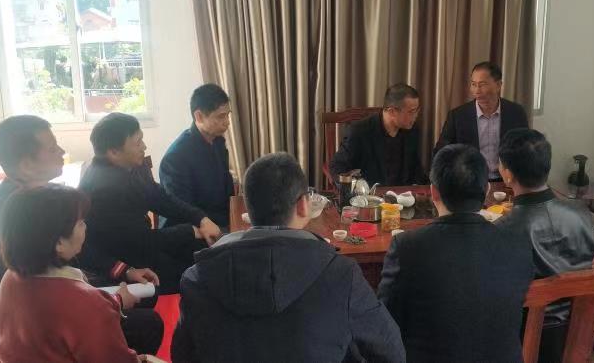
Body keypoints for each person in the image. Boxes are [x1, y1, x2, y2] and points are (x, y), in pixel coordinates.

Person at [172, 153, 405, 363]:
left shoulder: (197, 278)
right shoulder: (342, 275)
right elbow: (391, 351)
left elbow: (182, 356)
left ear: (249, 210)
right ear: (303, 205)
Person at [0, 115, 162, 359]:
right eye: (52, 149)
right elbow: (49, 302)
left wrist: (123, 272)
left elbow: (73, 252)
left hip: (36, 305)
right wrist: (107, 303)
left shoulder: (28, 201)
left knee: (142, 295)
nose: (62, 151)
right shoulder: (23, 215)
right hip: (23, 330)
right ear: (27, 165)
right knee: (147, 323)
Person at [377, 144, 534, 362]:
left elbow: (383, 321)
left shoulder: (407, 247)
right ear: (486, 190)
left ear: (433, 191)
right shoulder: (518, 245)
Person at [0, 185, 164, 362]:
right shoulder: (87, 304)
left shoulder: (9, 279)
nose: (85, 227)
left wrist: (117, 301)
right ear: (59, 243)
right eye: (81, 222)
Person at [77, 113, 221, 294]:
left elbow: (159, 196)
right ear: (113, 152)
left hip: (138, 243)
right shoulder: (106, 189)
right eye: (137, 143)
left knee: (206, 251)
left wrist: (200, 219)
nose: (144, 147)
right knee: (197, 274)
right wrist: (190, 231)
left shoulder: (131, 164)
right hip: (121, 263)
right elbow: (141, 241)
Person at [494, 128, 594, 362]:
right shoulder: (582, 214)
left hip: (524, 341)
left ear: (507, 174)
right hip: (579, 336)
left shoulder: (502, 230)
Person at [434, 61, 529, 181]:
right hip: (470, 182)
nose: (477, 91)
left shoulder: (516, 113)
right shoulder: (458, 116)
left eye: (482, 84)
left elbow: (526, 150)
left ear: (498, 85)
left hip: (507, 182)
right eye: (473, 84)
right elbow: (441, 153)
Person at [160, 84, 234, 230]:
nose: (227, 122)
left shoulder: (218, 141)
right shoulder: (175, 158)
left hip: (221, 219)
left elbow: (226, 187)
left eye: (228, 115)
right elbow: (182, 210)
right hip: (194, 229)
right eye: (221, 116)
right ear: (199, 116)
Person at [328, 83, 427, 186]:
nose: (416, 115)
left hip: (404, 194)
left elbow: (417, 171)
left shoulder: (411, 130)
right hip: (372, 194)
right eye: (411, 111)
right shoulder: (359, 132)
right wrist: (357, 188)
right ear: (392, 111)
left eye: (417, 110)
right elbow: (337, 168)